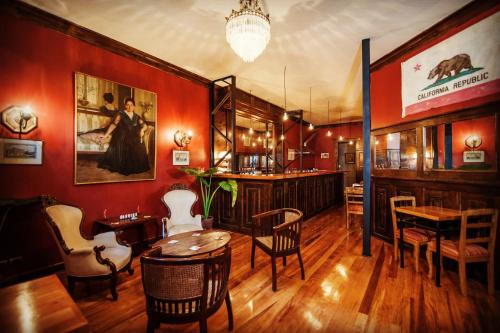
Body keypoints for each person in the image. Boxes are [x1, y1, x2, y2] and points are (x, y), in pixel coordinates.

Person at [98, 97, 150, 175]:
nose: (129, 107)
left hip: (134, 136)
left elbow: (145, 126)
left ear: (134, 106)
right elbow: (114, 125)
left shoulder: (137, 116)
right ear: (125, 106)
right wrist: (105, 135)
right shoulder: (121, 114)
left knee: (138, 145)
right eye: (127, 105)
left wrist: (142, 130)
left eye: (131, 105)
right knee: (127, 142)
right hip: (123, 136)